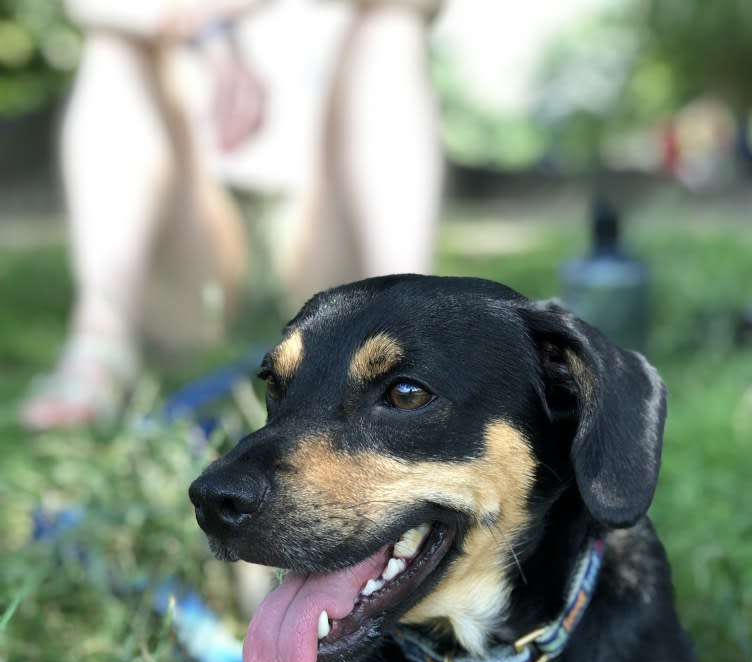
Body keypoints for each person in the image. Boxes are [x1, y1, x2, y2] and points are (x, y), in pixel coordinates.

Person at [19, 0, 444, 430]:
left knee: (391, 28)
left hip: (331, 262)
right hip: (193, 254)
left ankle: (415, 332)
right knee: (114, 44)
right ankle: (100, 347)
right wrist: (214, 41)